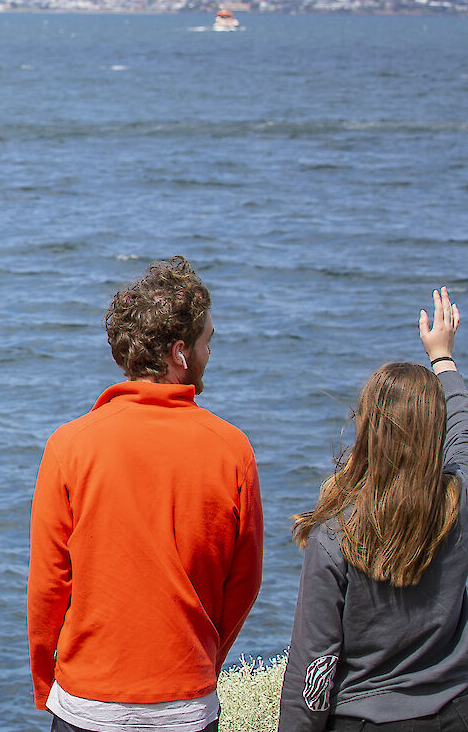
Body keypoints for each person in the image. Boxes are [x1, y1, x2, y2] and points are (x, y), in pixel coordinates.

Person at [27, 256, 263, 732]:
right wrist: (204, 658)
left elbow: (49, 585)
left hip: (88, 699)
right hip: (185, 701)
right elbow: (244, 582)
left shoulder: (70, 445)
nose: (209, 353)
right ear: (180, 352)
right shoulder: (232, 450)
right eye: (206, 341)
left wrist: (46, 682)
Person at [279, 288, 468, 732]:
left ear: (367, 430)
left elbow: (314, 663)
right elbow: (463, 427)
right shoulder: (457, 503)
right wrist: (442, 359)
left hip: (364, 720)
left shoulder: (336, 535)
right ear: (434, 433)